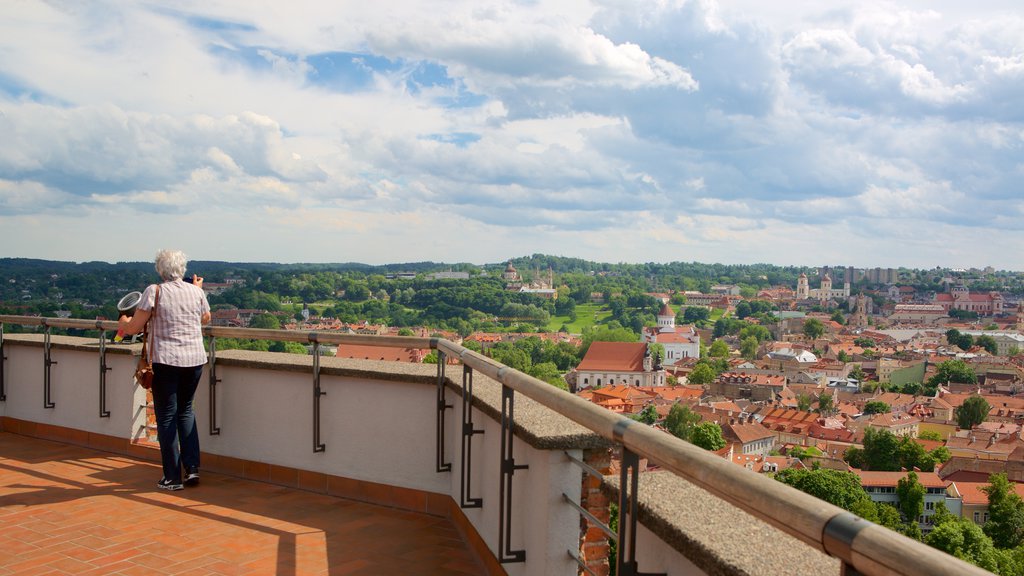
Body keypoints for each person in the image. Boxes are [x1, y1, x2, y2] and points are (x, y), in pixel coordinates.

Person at [119, 249, 211, 491]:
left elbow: (135, 327)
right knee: (186, 411)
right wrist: (196, 289)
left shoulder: (154, 291)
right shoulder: (196, 291)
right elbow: (205, 318)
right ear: (182, 269)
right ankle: (192, 469)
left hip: (167, 361)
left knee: (167, 416)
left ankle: (172, 477)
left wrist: (124, 323)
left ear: (160, 270)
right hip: (195, 359)